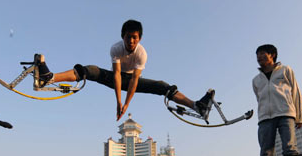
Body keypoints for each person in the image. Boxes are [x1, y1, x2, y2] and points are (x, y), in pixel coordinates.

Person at [35, 19, 215, 122]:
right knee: (91, 70)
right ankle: (49, 78)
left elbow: (135, 81)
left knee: (162, 86)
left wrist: (127, 104)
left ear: (139, 38)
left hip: (132, 81)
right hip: (117, 78)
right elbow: (116, 76)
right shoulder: (116, 48)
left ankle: (196, 106)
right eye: (128, 38)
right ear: (123, 37)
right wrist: (118, 102)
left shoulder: (141, 53)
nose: (131, 42)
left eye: (135, 38)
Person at [252, 44, 302, 156]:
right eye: (257, 55)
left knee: (290, 151)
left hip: (285, 115)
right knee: (266, 155)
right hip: (264, 119)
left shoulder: (285, 70)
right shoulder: (256, 80)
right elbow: (259, 98)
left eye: (263, 54)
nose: (259, 58)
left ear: (272, 55)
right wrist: (263, 114)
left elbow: (296, 92)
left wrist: (300, 117)